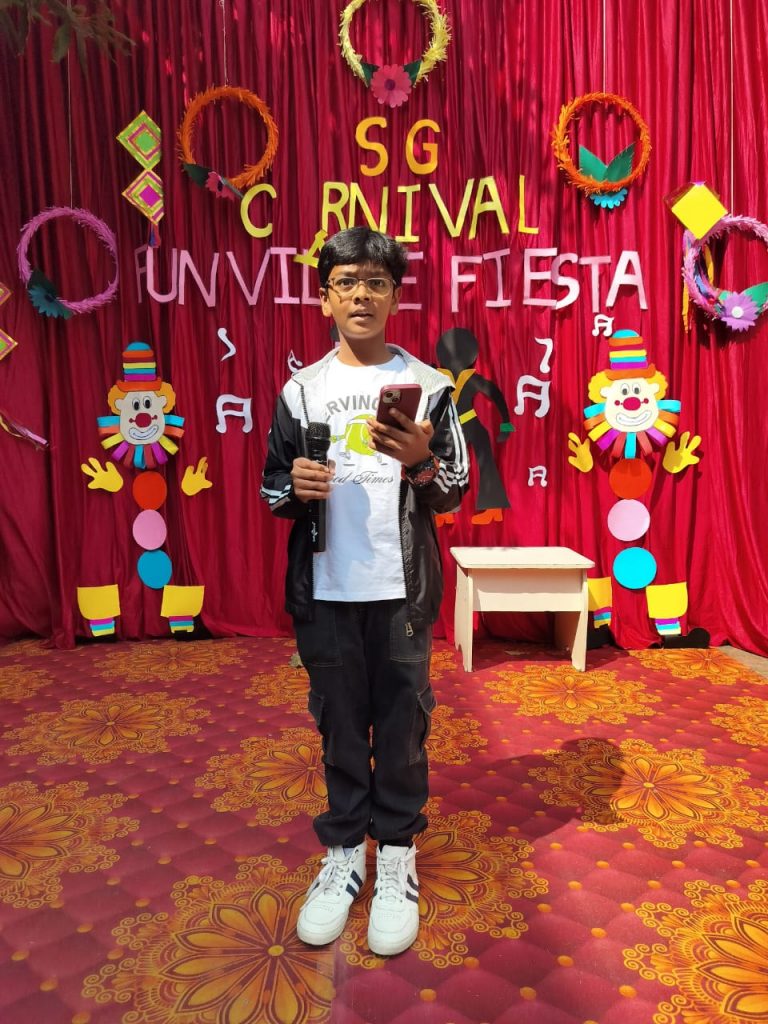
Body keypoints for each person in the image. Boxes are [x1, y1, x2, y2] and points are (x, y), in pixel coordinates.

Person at [261, 226, 469, 956]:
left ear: (394, 297)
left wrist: (419, 462)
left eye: (376, 283)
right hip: (325, 592)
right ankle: (345, 851)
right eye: (346, 282)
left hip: (401, 589)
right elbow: (270, 488)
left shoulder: (431, 387)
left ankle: (398, 855)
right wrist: (295, 488)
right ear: (325, 298)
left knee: (403, 727)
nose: (361, 295)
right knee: (340, 724)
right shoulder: (302, 390)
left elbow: (453, 489)